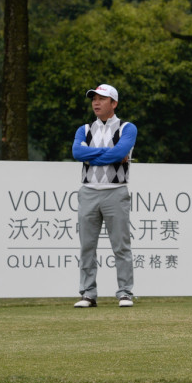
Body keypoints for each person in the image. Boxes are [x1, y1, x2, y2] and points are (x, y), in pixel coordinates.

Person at [71, 84, 138, 308]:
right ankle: (88, 294)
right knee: (87, 246)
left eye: (102, 99)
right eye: (94, 99)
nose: (96, 103)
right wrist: (110, 155)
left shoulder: (127, 128)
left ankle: (125, 292)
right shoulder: (84, 129)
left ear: (114, 103)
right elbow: (77, 153)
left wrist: (92, 157)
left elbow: (120, 152)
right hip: (88, 191)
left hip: (116, 191)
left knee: (121, 245)